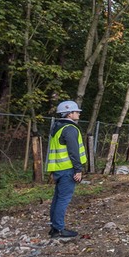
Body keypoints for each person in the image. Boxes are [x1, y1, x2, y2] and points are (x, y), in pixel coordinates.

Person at [46, 100, 87, 238]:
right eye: (77, 112)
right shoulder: (70, 129)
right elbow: (73, 151)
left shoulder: (56, 127)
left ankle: (54, 227)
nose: (79, 114)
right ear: (69, 114)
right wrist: (78, 170)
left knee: (57, 198)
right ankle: (58, 229)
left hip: (58, 169)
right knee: (63, 199)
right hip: (67, 169)